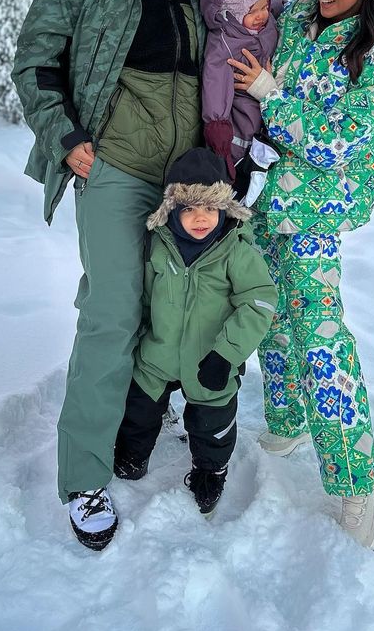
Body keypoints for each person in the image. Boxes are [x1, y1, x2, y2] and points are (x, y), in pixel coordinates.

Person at [12, 0, 222, 551]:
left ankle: (140, 415)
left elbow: (254, 51)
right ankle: (84, 475)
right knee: (111, 311)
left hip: (191, 176)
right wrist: (67, 137)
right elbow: (36, 63)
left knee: (173, 304)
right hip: (114, 166)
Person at [227, 0, 374, 549]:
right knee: (267, 316)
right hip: (266, 201)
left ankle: (357, 485)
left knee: (321, 337)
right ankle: (286, 418)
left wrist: (271, 97)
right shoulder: (302, 17)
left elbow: (336, 146)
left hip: (313, 216)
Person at [112, 148, 277, 524]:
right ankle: (133, 454)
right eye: (188, 208)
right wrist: (140, 336)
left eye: (209, 207)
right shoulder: (159, 245)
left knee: (212, 424)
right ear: (172, 210)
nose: (199, 218)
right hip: (158, 356)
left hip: (210, 360)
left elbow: (260, 301)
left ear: (224, 208)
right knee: (138, 411)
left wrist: (227, 354)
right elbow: (144, 297)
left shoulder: (234, 250)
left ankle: (210, 471)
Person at [199, 0, 282, 188]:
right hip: (241, 110)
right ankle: (238, 178)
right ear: (229, 14)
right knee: (244, 138)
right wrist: (217, 123)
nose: (261, 15)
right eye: (251, 11)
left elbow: (275, 15)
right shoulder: (223, 42)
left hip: (270, 103)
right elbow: (215, 82)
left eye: (263, 6)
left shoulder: (266, 22)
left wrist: (279, 7)